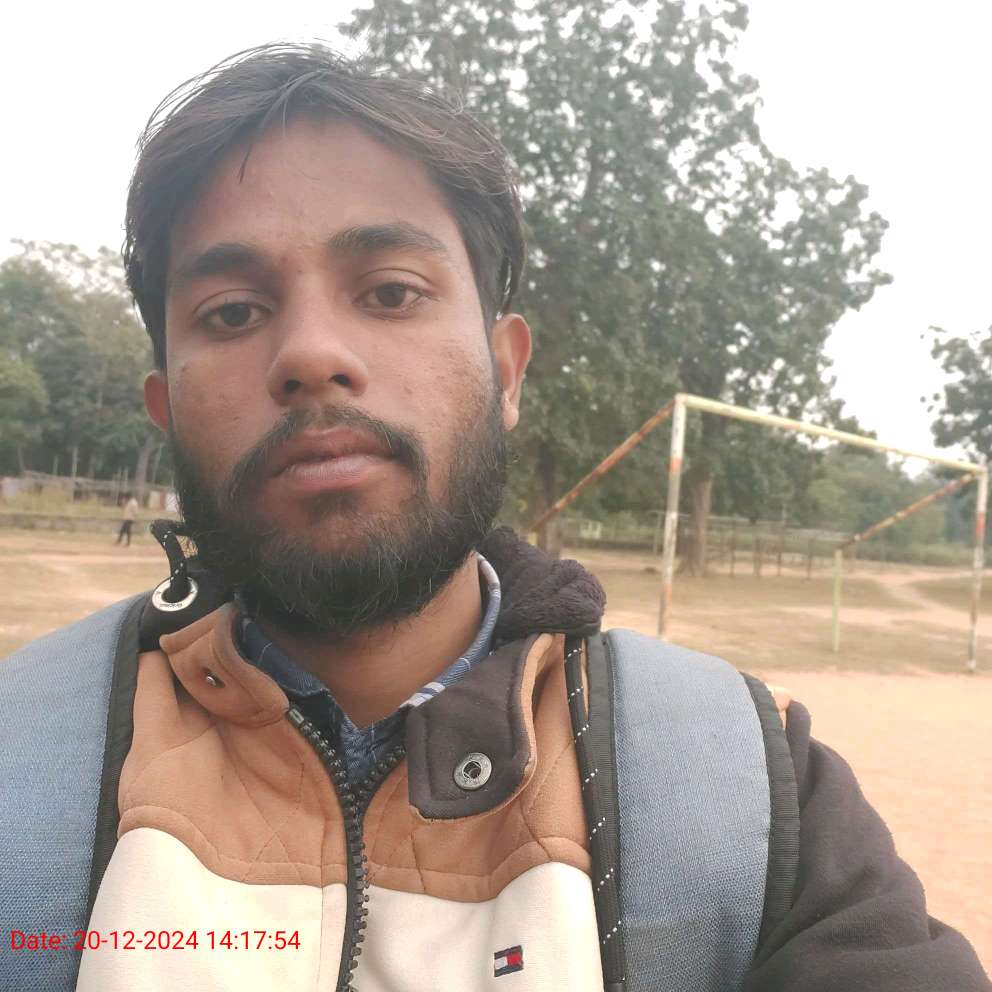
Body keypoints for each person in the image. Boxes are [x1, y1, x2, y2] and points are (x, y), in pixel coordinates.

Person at [2, 45, 989, 992]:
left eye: (390, 291)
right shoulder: (25, 760)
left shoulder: (751, 789)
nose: (309, 353)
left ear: (507, 372)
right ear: (166, 408)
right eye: (230, 312)